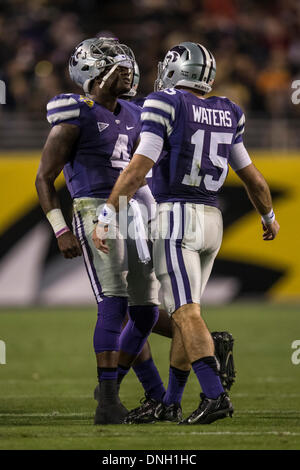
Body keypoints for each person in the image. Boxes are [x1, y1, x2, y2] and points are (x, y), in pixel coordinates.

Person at [93, 41, 280, 425]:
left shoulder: (166, 103)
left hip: (176, 217)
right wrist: (269, 216)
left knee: (185, 312)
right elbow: (253, 178)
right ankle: (171, 401)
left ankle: (214, 394)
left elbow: (139, 167)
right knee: (185, 312)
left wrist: (108, 211)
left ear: (177, 70)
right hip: (213, 219)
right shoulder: (229, 111)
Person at [35, 37, 161, 425]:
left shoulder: (135, 113)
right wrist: (60, 230)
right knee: (114, 302)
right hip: (93, 209)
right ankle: (108, 401)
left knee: (147, 310)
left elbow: (142, 176)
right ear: (95, 73)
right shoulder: (76, 112)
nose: (130, 74)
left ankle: (153, 394)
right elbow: (44, 178)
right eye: (120, 68)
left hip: (135, 211)